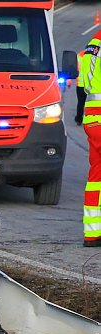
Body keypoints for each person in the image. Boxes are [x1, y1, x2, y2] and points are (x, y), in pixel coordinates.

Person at [81, 31, 101, 247]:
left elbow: (85, 83)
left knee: (97, 176)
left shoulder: (94, 44)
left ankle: (93, 232)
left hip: (93, 119)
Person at [76, 49, 86, 124]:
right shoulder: (94, 56)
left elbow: (75, 69)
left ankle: (79, 119)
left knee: (81, 103)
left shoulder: (78, 56)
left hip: (80, 85)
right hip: (91, 85)